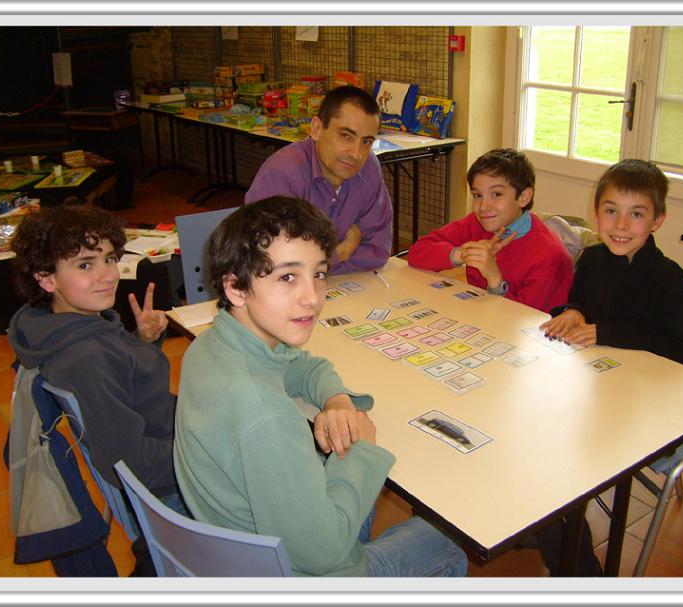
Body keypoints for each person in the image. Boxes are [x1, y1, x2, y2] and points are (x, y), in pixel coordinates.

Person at [173, 196, 467, 577]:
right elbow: (321, 554)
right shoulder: (266, 416)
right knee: (448, 541)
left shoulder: (211, 344)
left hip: (240, 551)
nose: (312, 298)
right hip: (300, 576)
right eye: (287, 277)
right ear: (236, 288)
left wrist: (337, 399)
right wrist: (361, 449)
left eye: (319, 273)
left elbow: (300, 366)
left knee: (344, 476)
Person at [8, 205, 187, 574]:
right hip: (169, 490)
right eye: (85, 265)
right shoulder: (85, 356)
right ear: (46, 278)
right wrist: (207, 452)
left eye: (109, 259)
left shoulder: (64, 325)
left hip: (169, 446)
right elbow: (131, 463)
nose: (108, 275)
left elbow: (120, 385)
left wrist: (142, 341)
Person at [539, 159, 683, 370]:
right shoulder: (590, 259)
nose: (621, 225)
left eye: (636, 214)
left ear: (657, 220)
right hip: (594, 373)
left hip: (646, 382)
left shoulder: (673, 282)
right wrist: (574, 311)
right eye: (611, 211)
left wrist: (609, 333)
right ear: (596, 213)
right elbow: (580, 301)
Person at [244, 85, 393, 274]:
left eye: (366, 141)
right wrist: (343, 250)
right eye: (345, 136)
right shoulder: (282, 175)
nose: (356, 154)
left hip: (345, 284)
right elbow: (274, 265)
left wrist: (318, 264)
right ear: (316, 129)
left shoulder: (369, 169)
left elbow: (377, 253)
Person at [407, 148, 573, 313]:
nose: (483, 207)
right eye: (477, 195)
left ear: (523, 197)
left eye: (496, 194)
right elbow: (417, 252)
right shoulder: (478, 223)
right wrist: (463, 254)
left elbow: (528, 321)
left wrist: (495, 280)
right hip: (480, 316)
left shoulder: (549, 256)